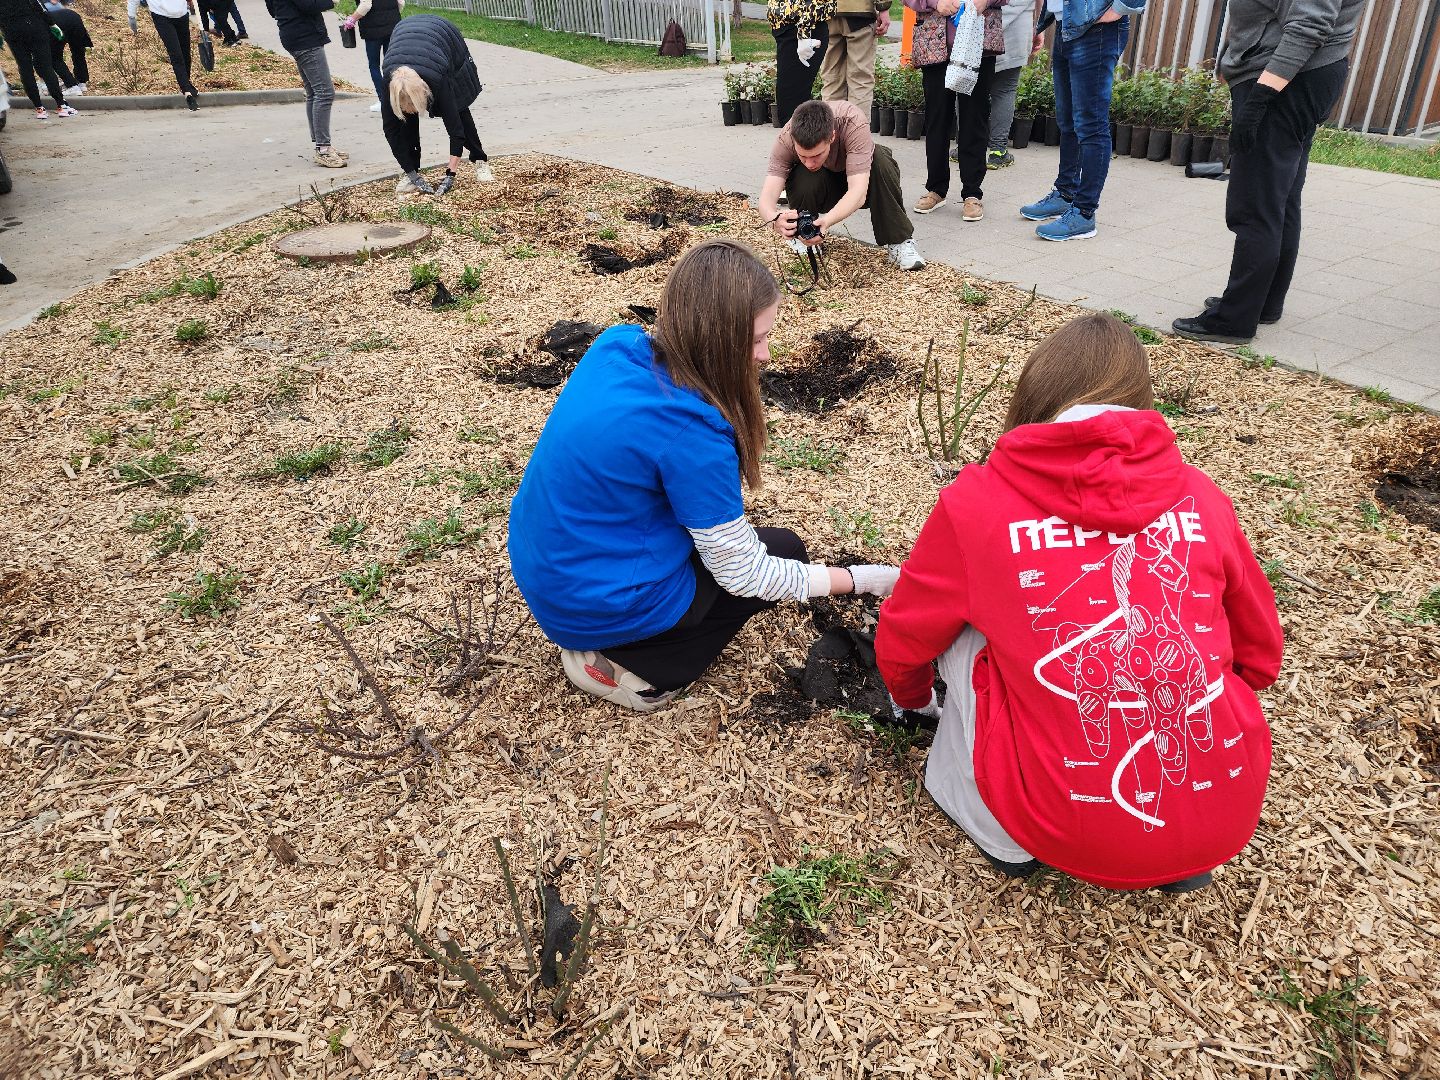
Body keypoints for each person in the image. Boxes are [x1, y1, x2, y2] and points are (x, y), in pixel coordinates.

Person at [875, 313, 1283, 893]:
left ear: (1035, 394)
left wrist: (911, 699)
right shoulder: (1202, 496)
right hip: (1224, 814)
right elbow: (1261, 651)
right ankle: (1179, 828)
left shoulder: (977, 503)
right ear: (1142, 402)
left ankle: (1000, 837)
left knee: (964, 631)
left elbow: (907, 632)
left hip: (1054, 817)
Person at [508, 240, 902, 712]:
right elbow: (746, 573)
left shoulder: (615, 345)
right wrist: (864, 579)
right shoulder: (691, 435)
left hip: (552, 571)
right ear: (716, 338)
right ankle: (634, 668)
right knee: (781, 556)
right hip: (593, 603)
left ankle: (620, 635)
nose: (764, 355)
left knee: (765, 548)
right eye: (755, 339)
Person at [1171, 0, 1364, 345]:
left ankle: (1234, 320)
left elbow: (1310, 24)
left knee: (1255, 205)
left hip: (1283, 81)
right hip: (1302, 76)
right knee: (1282, 197)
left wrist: (1261, 95)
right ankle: (1262, 303)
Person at [1019, 0, 1146, 241]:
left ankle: (1085, 213)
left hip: (1096, 30)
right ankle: (1065, 193)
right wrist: (1044, 22)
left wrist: (1118, 9)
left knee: (1091, 125)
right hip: (1067, 26)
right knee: (1067, 121)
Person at [758, 98, 926, 271]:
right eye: (803, 156)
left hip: (860, 181)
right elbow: (767, 198)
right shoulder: (785, 138)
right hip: (822, 184)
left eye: (816, 155)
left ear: (832, 136)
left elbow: (858, 192)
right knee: (802, 173)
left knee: (880, 161)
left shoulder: (853, 122)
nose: (809, 162)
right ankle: (804, 232)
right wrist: (774, 220)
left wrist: (827, 221)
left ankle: (899, 241)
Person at [907, 0, 1002, 221]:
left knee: (974, 118)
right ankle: (936, 189)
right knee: (936, 119)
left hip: (978, 43)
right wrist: (935, 3)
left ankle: (972, 192)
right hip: (934, 43)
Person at [380, 14, 491, 195]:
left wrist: (450, 174)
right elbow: (391, 131)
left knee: (459, 108)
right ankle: (412, 173)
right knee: (403, 124)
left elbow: (455, 129)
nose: (414, 111)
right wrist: (411, 172)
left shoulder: (438, 78)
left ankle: (480, 159)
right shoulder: (389, 85)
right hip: (406, 33)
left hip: (444, 37)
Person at [264, 0, 348, 167]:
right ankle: (323, 149)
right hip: (305, 37)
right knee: (324, 92)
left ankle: (321, 143)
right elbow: (309, 5)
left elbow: (273, 10)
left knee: (313, 92)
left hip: (294, 34)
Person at [0, 0, 76, 119]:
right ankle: (61, 105)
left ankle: (39, 108)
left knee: (25, 68)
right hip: (34, 27)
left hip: (12, 32)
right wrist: (52, 24)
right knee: (46, 66)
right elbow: (38, 5)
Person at [820, 0, 888, 120]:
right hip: (859, 11)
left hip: (826, 10)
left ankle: (830, 133)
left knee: (831, 78)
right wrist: (883, 7)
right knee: (860, 79)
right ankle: (857, 133)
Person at [767, 0, 833, 126]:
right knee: (789, 106)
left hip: (801, 27)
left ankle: (801, 144)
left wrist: (804, 33)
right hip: (790, 26)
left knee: (791, 109)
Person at [984, 0, 1033, 168]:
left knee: (968, 88)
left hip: (982, 23)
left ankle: (965, 147)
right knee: (1005, 90)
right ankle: (998, 151)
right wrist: (1037, 27)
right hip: (1018, 27)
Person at [129, 0, 200, 110]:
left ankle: (187, 83)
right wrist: (131, 16)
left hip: (181, 14)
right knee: (176, 55)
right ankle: (187, 93)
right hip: (161, 16)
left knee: (186, 54)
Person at [343, 0, 403, 114]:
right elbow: (401, 2)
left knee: (374, 65)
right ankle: (397, 98)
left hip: (373, 29)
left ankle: (384, 100)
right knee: (391, 64)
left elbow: (366, 5)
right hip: (393, 25)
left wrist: (352, 19)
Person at [42, 0, 91, 96]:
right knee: (78, 52)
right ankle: (82, 82)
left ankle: (72, 86)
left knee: (54, 58)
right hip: (73, 16)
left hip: (58, 23)